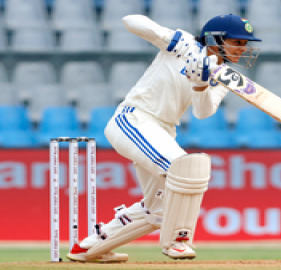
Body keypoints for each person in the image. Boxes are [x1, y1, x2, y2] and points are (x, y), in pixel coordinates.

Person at [66, 14, 261, 262]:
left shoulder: (223, 75)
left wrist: (200, 84)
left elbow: (203, 112)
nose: (243, 50)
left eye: (245, 45)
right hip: (134, 118)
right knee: (187, 168)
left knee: (158, 209)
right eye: (238, 42)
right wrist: (174, 41)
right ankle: (178, 241)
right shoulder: (184, 44)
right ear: (216, 39)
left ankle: (88, 248)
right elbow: (129, 20)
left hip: (164, 129)